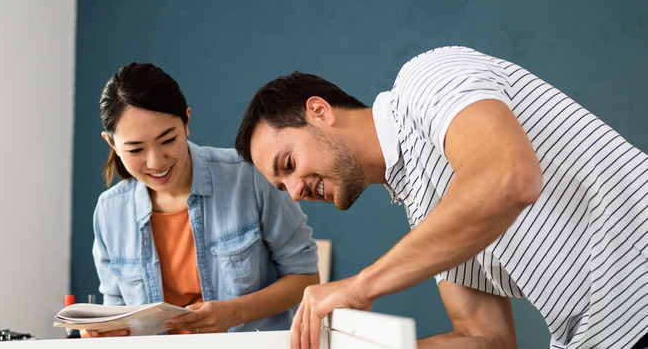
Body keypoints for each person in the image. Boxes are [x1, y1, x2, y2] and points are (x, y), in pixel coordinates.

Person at [234, 46, 648, 349]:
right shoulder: (425, 206)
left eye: (288, 164)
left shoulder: (426, 78)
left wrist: (362, 285)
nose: (295, 192)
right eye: (281, 187)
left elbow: (509, 177)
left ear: (320, 111)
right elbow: (486, 338)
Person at [84, 62, 319, 338]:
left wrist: (233, 312)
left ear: (186, 122)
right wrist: (106, 333)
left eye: (168, 139)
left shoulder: (249, 177)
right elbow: (116, 310)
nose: (156, 162)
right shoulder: (109, 212)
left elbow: (305, 278)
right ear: (112, 144)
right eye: (135, 149)